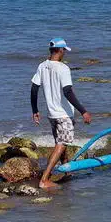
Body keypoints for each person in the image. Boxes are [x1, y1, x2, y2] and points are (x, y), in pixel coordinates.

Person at [30, 38, 92, 189]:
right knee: (62, 144)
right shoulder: (63, 68)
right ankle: (45, 179)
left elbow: (34, 88)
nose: (64, 52)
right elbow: (67, 91)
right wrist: (83, 111)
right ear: (59, 50)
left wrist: (35, 110)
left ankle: (67, 173)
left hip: (52, 114)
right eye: (64, 50)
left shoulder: (42, 66)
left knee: (60, 143)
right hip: (63, 115)